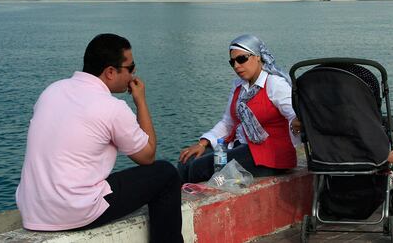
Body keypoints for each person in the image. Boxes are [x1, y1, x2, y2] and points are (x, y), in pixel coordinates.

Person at [16, 33, 183, 242]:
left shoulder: (52, 90)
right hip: (74, 211)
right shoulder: (112, 108)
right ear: (110, 72)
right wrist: (140, 101)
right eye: (130, 68)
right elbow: (147, 156)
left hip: (33, 210)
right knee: (165, 174)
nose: (134, 74)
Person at [177, 34, 298, 183]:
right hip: (241, 146)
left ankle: (184, 202)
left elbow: (294, 116)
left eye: (241, 59)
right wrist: (203, 143)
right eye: (232, 62)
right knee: (187, 161)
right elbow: (228, 123)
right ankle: (176, 204)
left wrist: (296, 124)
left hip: (271, 154)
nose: (236, 66)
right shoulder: (239, 86)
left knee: (199, 167)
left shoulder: (274, 84)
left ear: (257, 57)